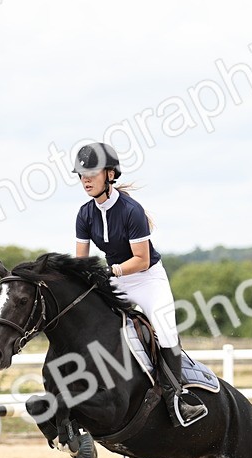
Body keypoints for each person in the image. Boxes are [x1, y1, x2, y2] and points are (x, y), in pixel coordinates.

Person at [71, 142, 207, 427]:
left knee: (165, 328)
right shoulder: (84, 214)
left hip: (146, 279)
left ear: (109, 174)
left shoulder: (131, 210)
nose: (85, 179)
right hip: (116, 280)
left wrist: (110, 271)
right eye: (81, 174)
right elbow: (80, 261)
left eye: (91, 173)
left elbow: (141, 260)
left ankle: (176, 398)